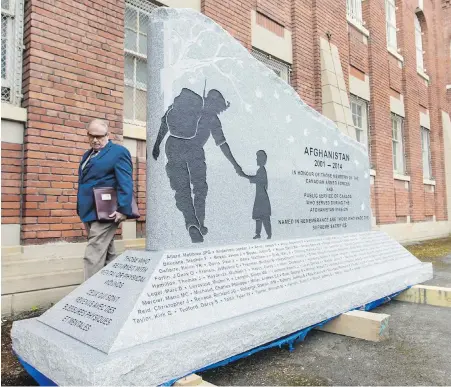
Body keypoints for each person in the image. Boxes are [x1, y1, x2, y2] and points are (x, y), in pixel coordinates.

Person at [152, 87, 243, 243]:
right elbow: (222, 144)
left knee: (181, 187)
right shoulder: (212, 118)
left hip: (173, 145)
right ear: (216, 104)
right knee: (200, 188)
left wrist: (156, 145)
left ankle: (191, 222)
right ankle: (199, 223)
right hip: (195, 151)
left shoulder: (185, 105)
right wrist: (236, 165)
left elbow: (164, 122)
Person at [77, 119, 134, 280]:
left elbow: (126, 181)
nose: (95, 140)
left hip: (108, 211)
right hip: (88, 210)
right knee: (108, 253)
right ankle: (114, 288)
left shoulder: (118, 152)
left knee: (93, 253)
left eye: (99, 136)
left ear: (107, 135)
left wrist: (123, 209)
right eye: (91, 135)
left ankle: (89, 295)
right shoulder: (87, 155)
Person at [240, 150, 272, 239]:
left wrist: (244, 175)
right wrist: (245, 176)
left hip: (262, 197)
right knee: (258, 216)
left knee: (264, 217)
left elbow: (258, 180)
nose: (256, 159)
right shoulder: (260, 170)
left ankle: (269, 234)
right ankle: (258, 234)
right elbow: (256, 179)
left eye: (258, 157)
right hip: (260, 196)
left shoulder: (261, 170)